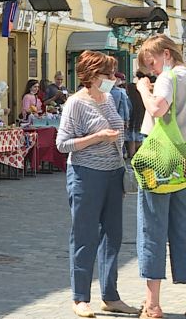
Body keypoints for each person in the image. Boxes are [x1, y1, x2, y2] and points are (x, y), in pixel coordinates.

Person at [55, 50, 139, 318]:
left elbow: (119, 135)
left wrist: (121, 170)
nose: (113, 78)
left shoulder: (109, 98)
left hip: (113, 173)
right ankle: (80, 297)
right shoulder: (76, 103)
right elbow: (62, 144)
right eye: (107, 74)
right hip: (85, 174)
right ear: (91, 75)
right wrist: (97, 137)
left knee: (113, 235)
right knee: (85, 235)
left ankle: (110, 296)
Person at [134, 34, 186, 319]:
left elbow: (157, 109)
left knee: (152, 229)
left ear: (166, 54)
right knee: (182, 229)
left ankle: (152, 304)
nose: (151, 71)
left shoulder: (168, 77)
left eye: (151, 62)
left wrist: (144, 90)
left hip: (161, 160)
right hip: (184, 160)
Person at [124, 71, 146, 159]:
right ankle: (137, 155)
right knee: (138, 137)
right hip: (140, 119)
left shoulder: (130, 92)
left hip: (132, 118)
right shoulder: (142, 95)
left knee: (131, 137)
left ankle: (132, 155)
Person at [110, 72, 131, 136]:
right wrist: (127, 120)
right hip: (119, 119)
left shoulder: (104, 91)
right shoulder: (121, 92)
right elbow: (125, 107)